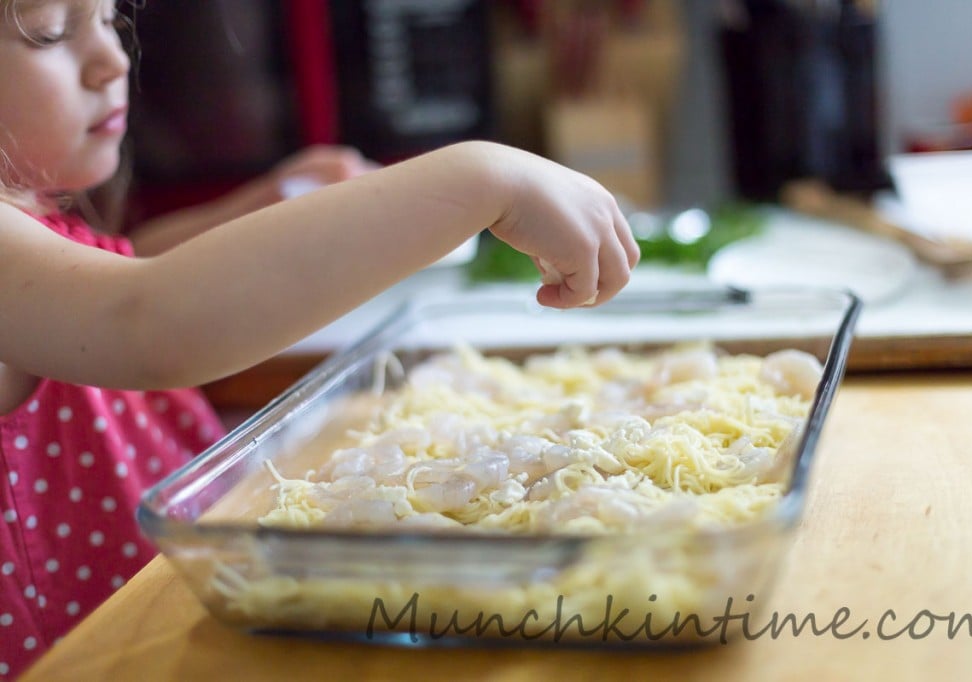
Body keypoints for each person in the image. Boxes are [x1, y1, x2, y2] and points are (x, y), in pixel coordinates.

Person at [0, 0, 639, 676]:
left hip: (161, 629)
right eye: (50, 33)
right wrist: (479, 181)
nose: (112, 61)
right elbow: (140, 316)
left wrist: (267, 205)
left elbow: (121, 265)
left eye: (108, 22)